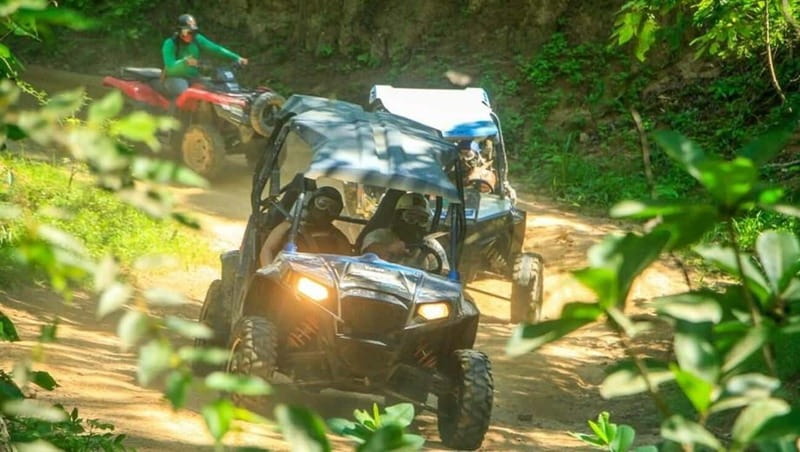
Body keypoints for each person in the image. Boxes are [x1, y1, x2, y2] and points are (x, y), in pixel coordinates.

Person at [161, 14, 248, 98]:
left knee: (214, 90)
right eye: (186, 31)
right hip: (174, 77)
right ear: (179, 31)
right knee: (186, 94)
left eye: (193, 32)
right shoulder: (170, 43)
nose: (189, 35)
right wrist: (184, 62)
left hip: (194, 77)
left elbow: (216, 50)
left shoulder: (197, 39)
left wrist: (236, 57)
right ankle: (173, 112)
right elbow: (170, 67)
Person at [259, 186, 352, 266]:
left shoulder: (337, 236)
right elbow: (267, 250)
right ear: (311, 205)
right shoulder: (289, 226)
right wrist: (270, 270)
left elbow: (346, 263)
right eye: (322, 204)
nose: (326, 211)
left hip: (319, 282)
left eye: (333, 208)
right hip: (283, 277)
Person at [360, 193, 444, 271]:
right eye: (411, 218)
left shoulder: (432, 246)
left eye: (422, 219)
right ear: (398, 216)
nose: (416, 224)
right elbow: (367, 256)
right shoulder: (380, 235)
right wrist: (389, 249)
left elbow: (444, 274)